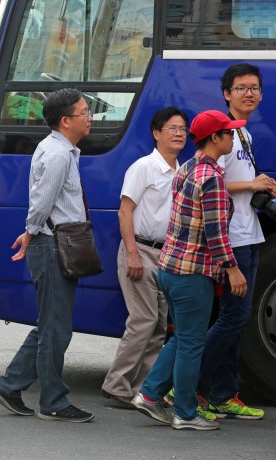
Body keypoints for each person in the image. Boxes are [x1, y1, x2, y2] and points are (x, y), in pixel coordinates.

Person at [132, 110, 248, 431]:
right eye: (229, 132)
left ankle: (150, 395)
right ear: (216, 138)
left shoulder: (186, 167)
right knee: (192, 344)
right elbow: (216, 233)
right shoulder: (211, 177)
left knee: (182, 338)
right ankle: (184, 412)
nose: (233, 137)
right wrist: (233, 270)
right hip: (193, 273)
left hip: (171, 267)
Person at [0, 88, 95, 423]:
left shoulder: (61, 149)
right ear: (66, 121)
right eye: (84, 112)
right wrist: (31, 232)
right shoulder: (59, 154)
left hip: (52, 244)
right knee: (55, 328)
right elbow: (41, 203)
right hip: (51, 246)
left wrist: (31, 231)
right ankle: (51, 400)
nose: (90, 117)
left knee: (52, 324)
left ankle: (11, 385)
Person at [196, 64, 273, 420]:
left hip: (250, 231)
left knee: (235, 320)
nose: (250, 94)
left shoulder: (243, 135)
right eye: (241, 88)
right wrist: (253, 185)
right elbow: (209, 182)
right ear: (226, 93)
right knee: (232, 319)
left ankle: (223, 395)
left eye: (255, 88)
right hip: (233, 238)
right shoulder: (220, 135)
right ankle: (188, 386)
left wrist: (258, 184)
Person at [101, 107, 188, 407]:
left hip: (165, 254)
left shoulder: (181, 171)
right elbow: (125, 211)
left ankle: (145, 388)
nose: (179, 134)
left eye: (183, 129)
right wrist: (133, 254)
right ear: (156, 133)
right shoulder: (143, 167)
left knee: (159, 324)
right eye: (172, 128)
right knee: (144, 319)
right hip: (139, 250)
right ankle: (116, 384)